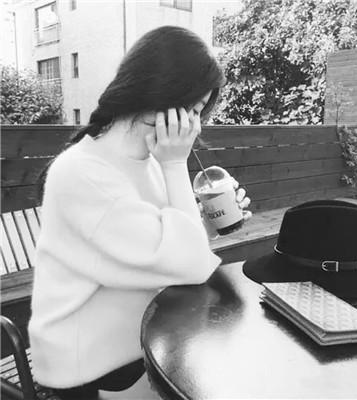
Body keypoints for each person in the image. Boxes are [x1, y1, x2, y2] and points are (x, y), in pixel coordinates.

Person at [28, 26, 251, 399]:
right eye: (191, 109)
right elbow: (191, 266)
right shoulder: (84, 173)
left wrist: (209, 226)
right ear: (159, 92)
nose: (194, 124)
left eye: (199, 112)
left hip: (146, 336)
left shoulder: (147, 160)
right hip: (92, 365)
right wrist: (175, 164)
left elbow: (166, 249)